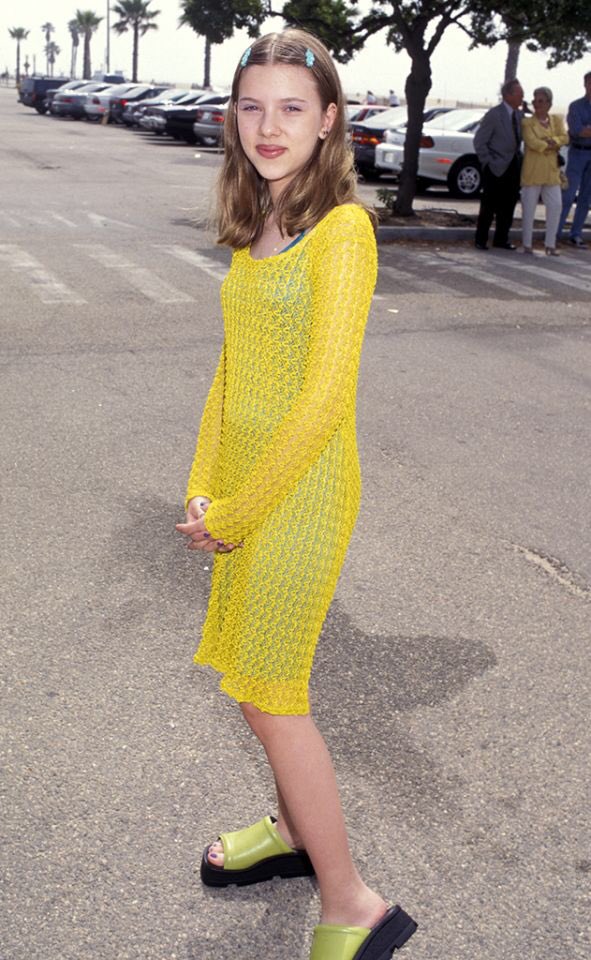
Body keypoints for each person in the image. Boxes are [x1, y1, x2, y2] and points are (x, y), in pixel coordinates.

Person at [176, 28, 417, 960]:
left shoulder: (343, 233)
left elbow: (323, 401)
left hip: (302, 498)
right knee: (252, 685)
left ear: (327, 122)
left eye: (290, 108)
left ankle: (352, 902)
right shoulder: (258, 225)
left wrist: (239, 513)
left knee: (271, 693)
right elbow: (231, 373)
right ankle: (290, 832)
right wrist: (205, 487)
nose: (267, 126)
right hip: (244, 491)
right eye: (251, 106)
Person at [474, 78, 524, 250]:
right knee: (489, 205)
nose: (522, 97)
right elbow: (479, 141)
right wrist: (487, 162)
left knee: (508, 205)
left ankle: (501, 239)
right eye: (519, 93)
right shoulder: (495, 114)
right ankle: (481, 239)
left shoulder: (519, 115)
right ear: (508, 95)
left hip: (513, 166)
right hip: (495, 166)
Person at [519, 86, 569, 256]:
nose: (537, 104)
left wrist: (552, 141)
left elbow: (564, 137)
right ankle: (527, 244)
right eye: (535, 101)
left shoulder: (557, 120)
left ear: (549, 103)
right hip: (533, 172)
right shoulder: (527, 123)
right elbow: (532, 142)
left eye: (541, 101)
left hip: (551, 172)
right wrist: (550, 144)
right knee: (529, 209)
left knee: (556, 206)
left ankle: (550, 244)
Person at [557, 70, 591, 249]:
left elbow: (585, 130)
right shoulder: (576, 106)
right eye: (590, 83)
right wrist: (583, 130)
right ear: (585, 84)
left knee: (586, 198)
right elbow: (577, 130)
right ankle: (555, 233)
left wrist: (587, 129)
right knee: (568, 195)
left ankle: (575, 234)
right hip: (578, 153)